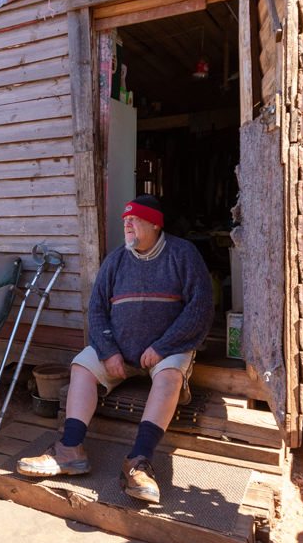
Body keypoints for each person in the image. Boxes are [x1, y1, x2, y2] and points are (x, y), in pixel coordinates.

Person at [16, 195, 213, 503]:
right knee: (81, 366)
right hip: (119, 350)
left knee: (171, 375)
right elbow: (96, 310)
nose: (127, 224)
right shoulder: (116, 259)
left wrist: (164, 346)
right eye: (125, 220)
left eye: (133, 220)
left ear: (154, 223)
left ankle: (139, 461)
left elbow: (200, 309)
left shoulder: (183, 254)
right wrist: (108, 350)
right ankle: (69, 450)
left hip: (164, 350)